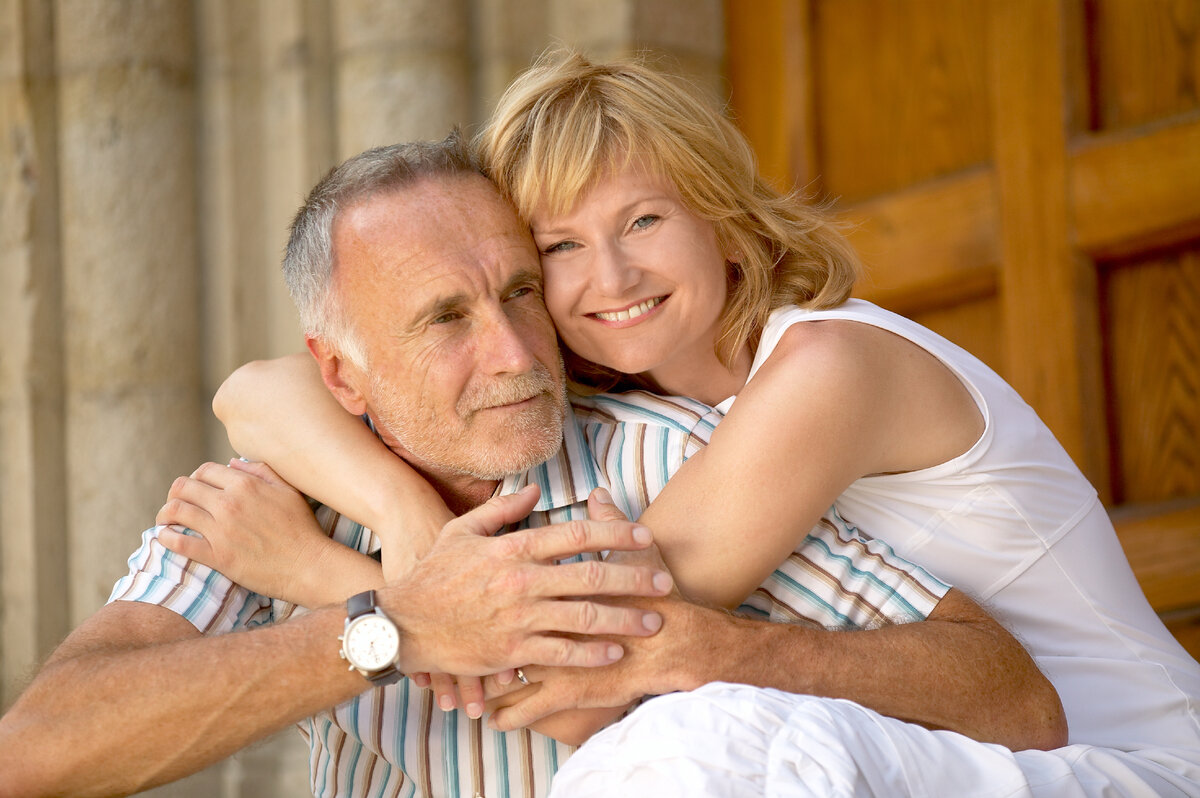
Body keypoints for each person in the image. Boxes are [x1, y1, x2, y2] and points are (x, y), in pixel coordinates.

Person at [218, 50, 1200, 796]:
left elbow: (584, 652)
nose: (613, 277)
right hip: (953, 762)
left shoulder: (826, 366)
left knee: (696, 742)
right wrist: (399, 507)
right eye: (560, 246)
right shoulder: (650, 399)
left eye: (644, 220)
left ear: (720, 215)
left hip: (1119, 763)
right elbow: (255, 391)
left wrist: (324, 580)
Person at [0, 135, 1059, 798]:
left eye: (517, 294)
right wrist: (386, 626)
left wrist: (717, 650)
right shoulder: (275, 505)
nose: (513, 355)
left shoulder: (667, 459)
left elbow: (1012, 694)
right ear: (341, 371)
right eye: (445, 319)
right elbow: (37, 753)